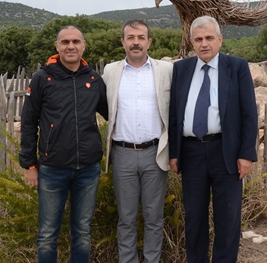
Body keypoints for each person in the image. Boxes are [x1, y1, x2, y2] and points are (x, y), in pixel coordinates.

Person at [168, 15, 258, 263]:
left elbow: (249, 114)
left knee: (227, 217)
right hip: (191, 153)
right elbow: (175, 114)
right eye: (198, 39)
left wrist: (246, 154)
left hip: (225, 152)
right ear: (191, 42)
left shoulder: (237, 67)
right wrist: (174, 153)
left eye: (209, 38)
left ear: (220, 39)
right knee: (194, 217)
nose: (204, 43)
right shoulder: (181, 69)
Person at [19, 25, 108, 263]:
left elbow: (113, 113)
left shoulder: (93, 79)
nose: (71, 46)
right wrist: (29, 165)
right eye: (65, 42)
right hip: (52, 168)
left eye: (76, 42)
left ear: (83, 46)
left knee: (82, 232)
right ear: (57, 47)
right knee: (48, 233)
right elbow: (28, 122)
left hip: (88, 169)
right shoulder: (42, 79)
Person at [102, 20, 173, 263]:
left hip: (155, 153)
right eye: (130, 37)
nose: (136, 42)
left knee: (154, 217)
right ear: (122, 42)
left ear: (149, 42)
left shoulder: (165, 70)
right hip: (122, 154)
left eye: (141, 37)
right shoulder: (110, 71)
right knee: (126, 218)